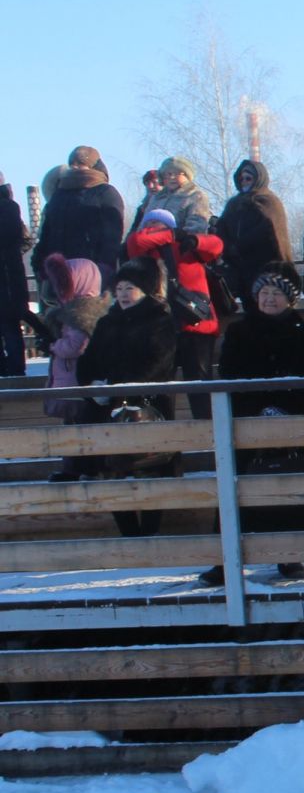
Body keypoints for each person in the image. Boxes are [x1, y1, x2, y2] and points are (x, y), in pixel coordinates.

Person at [204, 262, 304, 586]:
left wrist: (284, 409)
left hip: (291, 424)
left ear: (290, 299)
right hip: (245, 423)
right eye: (265, 292)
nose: (269, 298)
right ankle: (226, 560)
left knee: (290, 490)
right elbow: (228, 374)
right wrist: (256, 409)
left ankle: (290, 556)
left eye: (277, 293)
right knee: (236, 489)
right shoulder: (239, 331)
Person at [77, 257, 180, 537]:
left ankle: (148, 532)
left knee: (150, 470)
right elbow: (88, 361)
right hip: (107, 408)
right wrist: (92, 385)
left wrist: (118, 386)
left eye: (130, 288)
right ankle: (129, 534)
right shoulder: (107, 322)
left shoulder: (160, 319)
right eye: (119, 287)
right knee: (111, 472)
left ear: (144, 290)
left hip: (147, 406)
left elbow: (159, 363)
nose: (123, 294)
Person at [124, 208, 225, 418]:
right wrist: (170, 235)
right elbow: (136, 241)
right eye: (149, 224)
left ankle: (210, 436)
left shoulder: (186, 245)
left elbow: (216, 246)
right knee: (161, 388)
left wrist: (193, 240)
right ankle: (166, 440)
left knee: (199, 385)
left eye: (159, 224)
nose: (153, 228)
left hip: (196, 325)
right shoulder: (144, 252)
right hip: (161, 328)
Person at [39, 254, 108, 436]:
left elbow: (76, 346)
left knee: (77, 429)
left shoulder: (80, 314)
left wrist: (52, 346)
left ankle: (77, 463)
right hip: (73, 378)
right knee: (75, 427)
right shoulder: (80, 311)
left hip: (75, 379)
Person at [33, 146, 125, 278]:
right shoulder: (59, 194)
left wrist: (104, 266)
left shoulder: (105, 192)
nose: (75, 168)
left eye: (80, 164)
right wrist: (39, 262)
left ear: (93, 167)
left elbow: (112, 236)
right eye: (72, 164)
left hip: (90, 269)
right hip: (58, 269)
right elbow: (47, 232)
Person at [215, 159, 292, 307]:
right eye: (241, 178)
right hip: (239, 267)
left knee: (266, 307)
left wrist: (240, 245)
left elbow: (268, 229)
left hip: (264, 266)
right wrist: (226, 245)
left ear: (258, 178)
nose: (244, 181)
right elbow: (222, 227)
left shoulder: (268, 201)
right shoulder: (234, 204)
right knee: (248, 307)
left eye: (248, 178)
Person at [145, 156, 216, 233]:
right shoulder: (157, 198)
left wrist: (182, 237)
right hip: (150, 240)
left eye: (177, 174)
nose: (172, 177)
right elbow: (144, 223)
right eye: (168, 174)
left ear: (187, 175)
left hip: (178, 241)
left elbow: (197, 224)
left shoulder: (195, 196)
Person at [0, 176, 25, 375]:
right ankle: (14, 368)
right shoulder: (10, 207)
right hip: (9, 275)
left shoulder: (7, 207)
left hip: (7, 276)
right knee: (10, 324)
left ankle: (14, 368)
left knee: (9, 324)